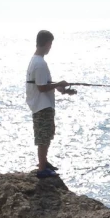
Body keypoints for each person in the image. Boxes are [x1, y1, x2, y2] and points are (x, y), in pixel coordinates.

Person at [25, 29, 76, 178]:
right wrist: (58, 83)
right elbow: (41, 87)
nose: (50, 47)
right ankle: (42, 169)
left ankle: (44, 162)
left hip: (41, 104)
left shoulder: (35, 60)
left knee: (46, 134)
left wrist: (63, 90)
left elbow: (44, 83)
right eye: (50, 44)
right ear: (47, 43)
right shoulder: (40, 63)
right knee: (43, 136)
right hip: (42, 105)